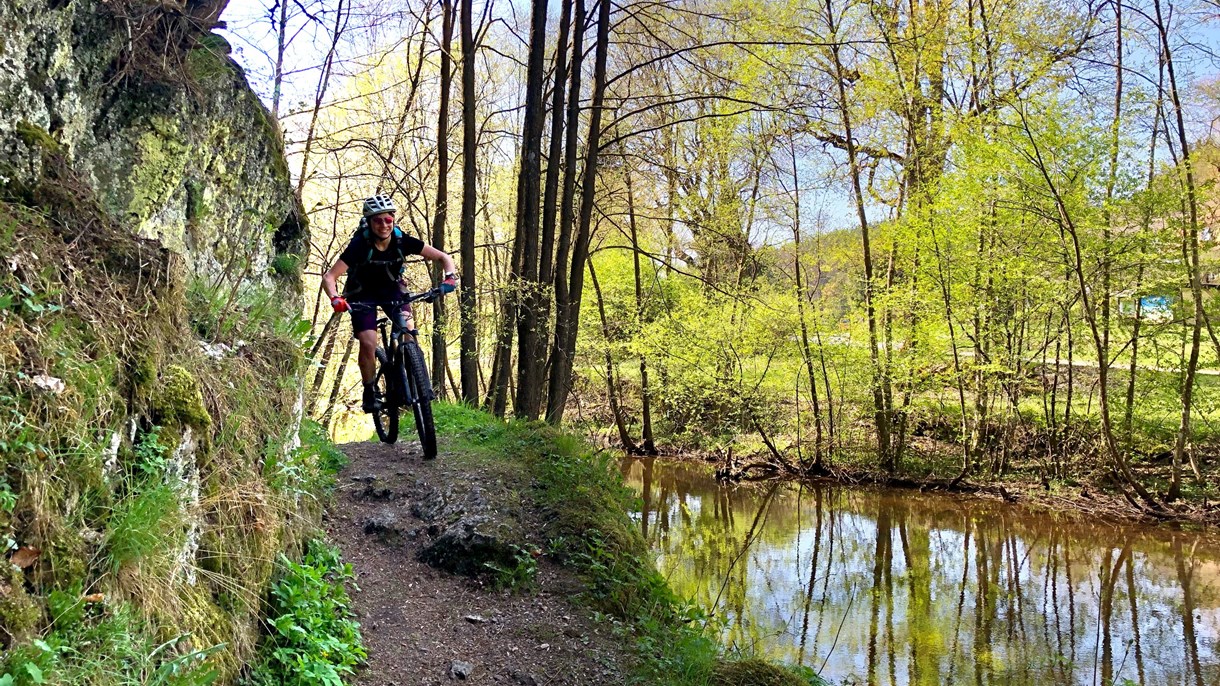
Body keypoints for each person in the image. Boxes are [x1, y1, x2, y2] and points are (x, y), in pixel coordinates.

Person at [321, 194, 457, 412]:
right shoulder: (359, 245)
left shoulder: (402, 240)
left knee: (408, 330)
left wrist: (450, 277)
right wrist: (335, 298)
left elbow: (443, 257)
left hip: (393, 290)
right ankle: (369, 390)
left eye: (388, 220)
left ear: (393, 219)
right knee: (368, 343)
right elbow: (330, 277)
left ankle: (414, 380)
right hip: (361, 294)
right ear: (369, 222)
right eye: (377, 220)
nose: (384, 225)